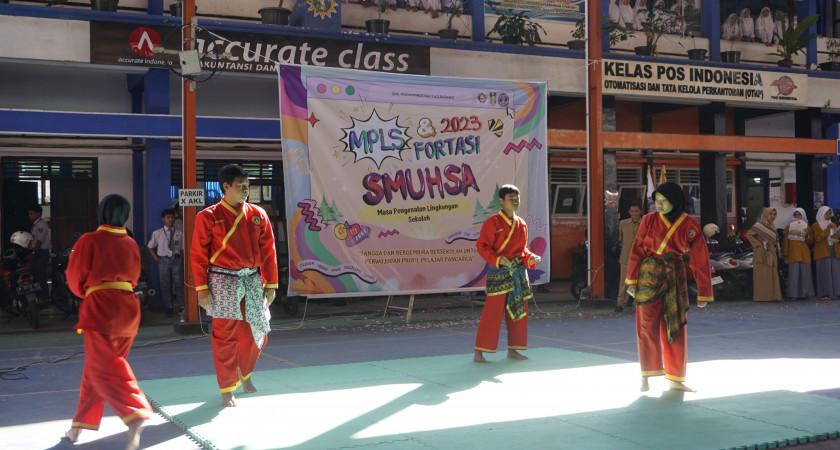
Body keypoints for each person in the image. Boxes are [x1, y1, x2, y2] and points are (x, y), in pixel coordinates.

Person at [63, 194, 151, 450]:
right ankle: (78, 427)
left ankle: (135, 412)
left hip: (101, 309)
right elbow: (134, 277)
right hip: (129, 309)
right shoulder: (131, 243)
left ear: (101, 213)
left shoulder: (89, 240)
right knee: (96, 369)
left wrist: (88, 292)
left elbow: (74, 278)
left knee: (103, 368)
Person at [191, 164, 278, 407]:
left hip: (252, 279)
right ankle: (227, 388)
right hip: (222, 279)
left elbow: (269, 251)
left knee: (256, 330)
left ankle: (245, 373)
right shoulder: (207, 216)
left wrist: (270, 284)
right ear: (226, 187)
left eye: (248, 185)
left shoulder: (258, 214)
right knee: (225, 336)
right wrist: (202, 289)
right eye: (241, 186)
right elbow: (198, 255)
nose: (246, 190)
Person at [625, 181, 712, 393]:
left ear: (675, 201)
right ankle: (646, 376)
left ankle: (676, 379)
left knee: (676, 327)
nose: (659, 205)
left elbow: (700, 259)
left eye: (664, 201)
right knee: (645, 326)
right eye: (657, 201)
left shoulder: (689, 225)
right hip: (648, 275)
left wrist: (704, 291)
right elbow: (637, 249)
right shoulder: (648, 220)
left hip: (675, 275)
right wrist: (632, 280)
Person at [474, 184, 541, 363]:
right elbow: (482, 246)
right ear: (501, 201)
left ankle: (513, 349)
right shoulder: (492, 222)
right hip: (499, 272)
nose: (515, 201)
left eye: (517, 198)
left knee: (518, 311)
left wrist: (531, 257)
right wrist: (498, 260)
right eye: (511, 198)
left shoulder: (521, 224)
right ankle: (479, 351)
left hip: (517, 272)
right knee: (492, 312)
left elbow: (522, 251)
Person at [148, 208, 185, 320]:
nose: (171, 219)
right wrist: (157, 259)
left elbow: (182, 249)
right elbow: (150, 247)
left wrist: (180, 259)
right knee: (165, 284)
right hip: (163, 260)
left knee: (178, 283)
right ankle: (168, 307)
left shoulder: (179, 233)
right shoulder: (157, 233)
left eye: (172, 217)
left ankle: (181, 306)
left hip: (176, 260)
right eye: (168, 217)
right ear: (163, 219)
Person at [745, 207, 782, 302]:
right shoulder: (759, 225)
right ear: (765, 214)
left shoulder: (772, 226)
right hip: (762, 254)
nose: (772, 216)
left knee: (772, 276)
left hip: (771, 253)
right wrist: (758, 244)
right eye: (770, 214)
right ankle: (762, 297)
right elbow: (749, 235)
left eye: (774, 214)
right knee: (762, 276)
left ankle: (775, 296)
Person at [616, 200, 643, 312]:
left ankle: (637, 304)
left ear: (640, 211)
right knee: (624, 282)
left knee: (640, 283)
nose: (634, 213)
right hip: (626, 258)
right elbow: (621, 239)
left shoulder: (645, 224)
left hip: (641, 259)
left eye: (636, 211)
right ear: (629, 212)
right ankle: (620, 304)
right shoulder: (622, 224)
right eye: (632, 211)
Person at [783, 208, 814, 300]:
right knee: (794, 274)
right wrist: (785, 254)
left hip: (804, 253)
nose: (797, 216)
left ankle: (805, 294)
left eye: (799, 214)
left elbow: (810, 242)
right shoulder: (788, 227)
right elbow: (786, 242)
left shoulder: (808, 228)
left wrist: (807, 234)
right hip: (794, 253)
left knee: (805, 273)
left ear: (803, 215)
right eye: (795, 215)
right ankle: (793, 294)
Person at [812, 206, 840, 300]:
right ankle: (825, 293)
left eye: (829, 213)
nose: (828, 215)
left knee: (835, 271)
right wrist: (828, 229)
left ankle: (836, 292)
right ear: (821, 214)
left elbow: (835, 237)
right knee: (824, 271)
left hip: (834, 249)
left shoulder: (833, 224)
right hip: (822, 251)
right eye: (826, 213)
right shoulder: (816, 225)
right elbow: (818, 238)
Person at [27, 205, 51, 303]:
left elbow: (39, 241)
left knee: (41, 276)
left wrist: (32, 253)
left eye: (31, 214)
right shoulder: (35, 224)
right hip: (37, 252)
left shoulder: (41, 225)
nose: (29, 216)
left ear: (38, 214)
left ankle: (45, 298)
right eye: (29, 214)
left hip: (40, 253)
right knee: (36, 276)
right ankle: (38, 297)